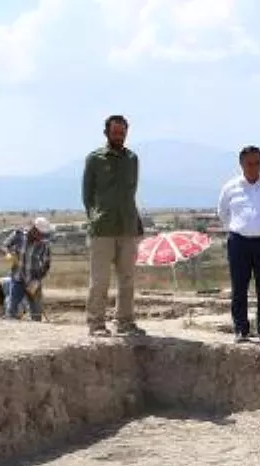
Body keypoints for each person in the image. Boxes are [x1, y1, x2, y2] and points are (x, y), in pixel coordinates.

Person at [82, 114, 145, 337]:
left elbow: (131, 192)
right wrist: (95, 218)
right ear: (107, 132)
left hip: (127, 227)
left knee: (127, 278)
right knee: (100, 280)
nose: (119, 136)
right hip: (103, 229)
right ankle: (96, 323)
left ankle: (125, 322)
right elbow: (87, 195)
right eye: (115, 132)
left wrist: (136, 223)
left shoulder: (132, 159)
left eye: (123, 132)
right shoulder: (95, 159)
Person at [218, 145, 260, 344]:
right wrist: (240, 228)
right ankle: (241, 329)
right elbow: (223, 213)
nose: (254, 167)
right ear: (241, 164)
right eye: (250, 163)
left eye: (258, 163)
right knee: (239, 287)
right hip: (239, 242)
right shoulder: (230, 188)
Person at [2, 217, 53, 322]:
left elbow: (46, 265)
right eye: (39, 234)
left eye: (43, 235)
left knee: (36, 311)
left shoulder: (44, 244)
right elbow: (4, 246)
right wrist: (8, 254)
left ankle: (36, 329)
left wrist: (37, 280)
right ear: (33, 229)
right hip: (17, 278)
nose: (41, 237)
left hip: (33, 281)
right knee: (12, 308)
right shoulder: (18, 235)